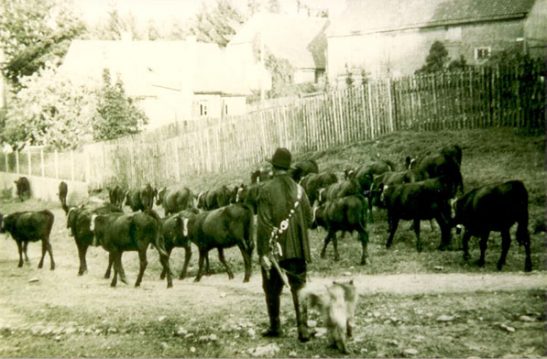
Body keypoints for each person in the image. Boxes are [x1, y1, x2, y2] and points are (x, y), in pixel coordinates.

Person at [256, 147, 313, 342]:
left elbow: (263, 224)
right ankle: (303, 330)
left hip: (274, 250)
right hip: (297, 249)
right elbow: (310, 218)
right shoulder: (300, 189)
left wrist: (262, 252)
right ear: (288, 168)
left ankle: (275, 326)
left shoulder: (265, 189)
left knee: (271, 288)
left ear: (273, 167)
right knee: (299, 286)